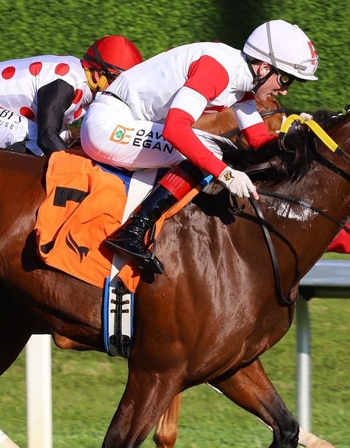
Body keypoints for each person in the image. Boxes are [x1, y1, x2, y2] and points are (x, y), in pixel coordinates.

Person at [81, 20, 318, 274]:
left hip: (127, 121)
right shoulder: (218, 70)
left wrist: (297, 137)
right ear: (264, 68)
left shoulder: (241, 80)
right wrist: (226, 174)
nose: (284, 91)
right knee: (214, 150)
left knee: (217, 148)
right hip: (108, 125)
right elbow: (175, 129)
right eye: (285, 79)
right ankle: (133, 231)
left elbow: (259, 142)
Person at [0, 35, 143, 157]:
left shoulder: (85, 84)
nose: (120, 90)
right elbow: (47, 137)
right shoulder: (65, 83)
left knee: (66, 138)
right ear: (98, 74)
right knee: (33, 136)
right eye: (117, 81)